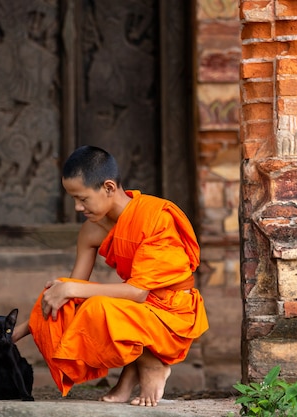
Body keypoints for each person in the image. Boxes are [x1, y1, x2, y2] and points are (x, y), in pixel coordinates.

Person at [12, 145, 209, 407]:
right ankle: (131, 373)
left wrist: (71, 289)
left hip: (171, 314)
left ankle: (152, 364)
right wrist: (18, 331)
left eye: (82, 199)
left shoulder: (155, 217)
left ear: (108, 188)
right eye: (73, 199)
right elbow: (70, 295)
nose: (77, 207)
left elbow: (138, 292)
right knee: (66, 293)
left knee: (96, 306)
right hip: (136, 310)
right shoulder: (90, 232)